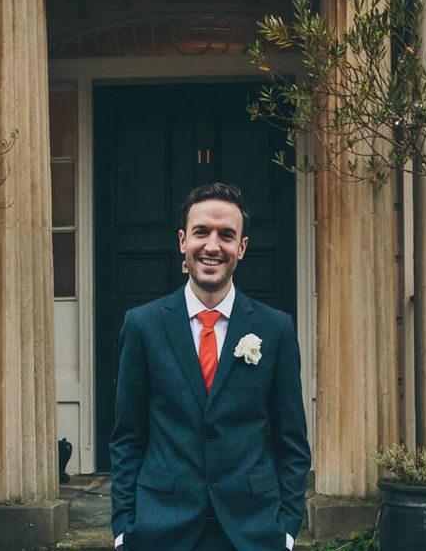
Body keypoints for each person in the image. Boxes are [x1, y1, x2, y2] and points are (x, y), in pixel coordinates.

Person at [110, 182, 311, 550]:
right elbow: (127, 437)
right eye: (202, 232)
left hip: (252, 530)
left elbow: (292, 440)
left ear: (242, 247)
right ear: (183, 242)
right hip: (160, 528)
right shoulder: (143, 325)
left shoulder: (275, 328)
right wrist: (124, 528)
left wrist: (286, 529)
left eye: (227, 235)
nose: (213, 246)